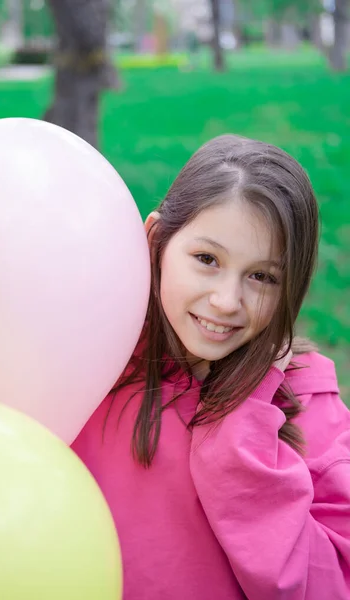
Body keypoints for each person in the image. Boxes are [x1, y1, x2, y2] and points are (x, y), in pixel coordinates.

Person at [72, 134, 350, 599]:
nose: (226, 301)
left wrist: (243, 421)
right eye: (207, 260)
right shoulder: (89, 362)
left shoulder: (305, 402)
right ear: (157, 239)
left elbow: (331, 583)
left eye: (261, 276)